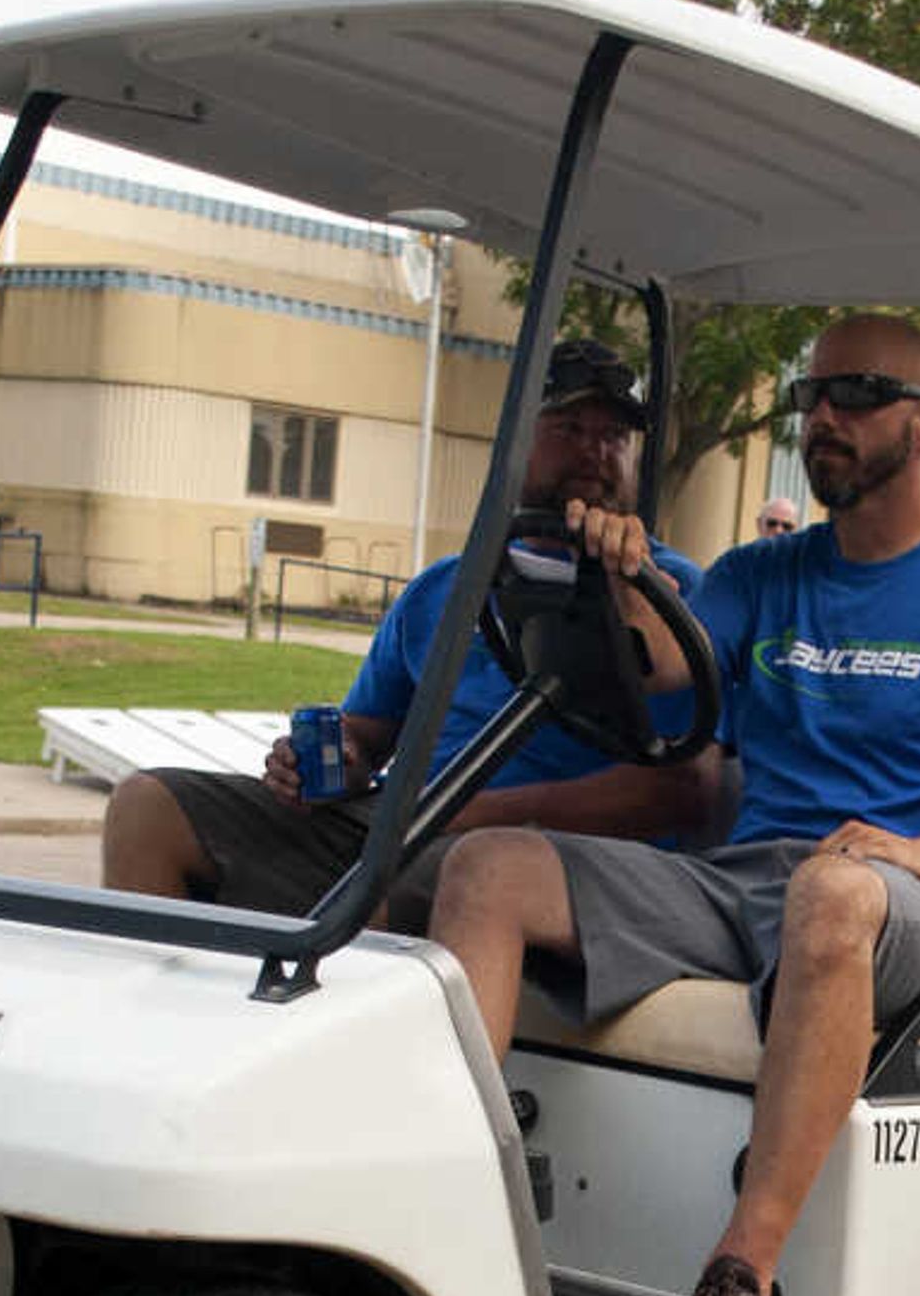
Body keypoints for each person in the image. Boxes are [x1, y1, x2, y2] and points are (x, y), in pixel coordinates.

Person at [424, 314, 920, 1296]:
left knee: (834, 894)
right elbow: (658, 669)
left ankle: (745, 1283)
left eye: (859, 394)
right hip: (757, 877)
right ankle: (441, 1214)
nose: (824, 416)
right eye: (813, 397)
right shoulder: (763, 572)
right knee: (489, 865)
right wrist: (620, 565)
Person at [99, 340, 709, 915]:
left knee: (396, 886)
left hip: (545, 861)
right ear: (515, 441)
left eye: (614, 437)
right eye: (570, 430)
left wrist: (467, 811)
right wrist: (327, 761)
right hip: (409, 822)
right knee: (147, 807)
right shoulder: (446, 587)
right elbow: (368, 735)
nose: (595, 454)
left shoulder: (671, 594)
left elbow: (682, 792)